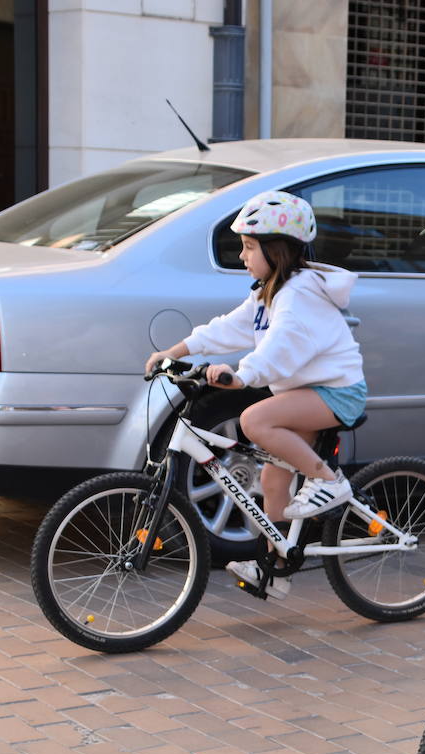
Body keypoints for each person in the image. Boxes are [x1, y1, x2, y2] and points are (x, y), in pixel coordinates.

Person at [145, 190, 367, 598]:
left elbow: (281, 347)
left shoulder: (299, 294)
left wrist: (241, 375)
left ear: (276, 250)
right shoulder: (268, 291)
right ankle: (277, 569)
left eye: (249, 247)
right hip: (304, 393)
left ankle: (326, 480)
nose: (243, 256)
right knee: (272, 476)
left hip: (336, 393)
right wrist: (176, 351)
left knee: (254, 419)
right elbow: (229, 326)